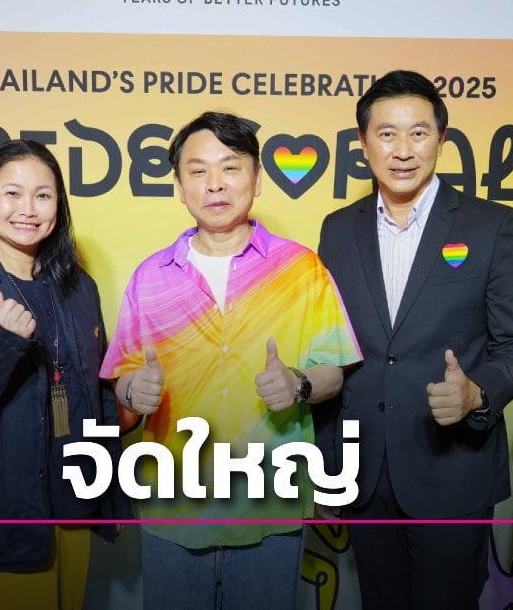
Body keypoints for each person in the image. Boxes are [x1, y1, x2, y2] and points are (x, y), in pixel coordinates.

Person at [101, 111, 362, 609]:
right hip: (174, 500)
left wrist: (299, 384)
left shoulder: (300, 268)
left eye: (230, 167)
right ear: (179, 186)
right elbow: (123, 380)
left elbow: (334, 373)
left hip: (270, 500)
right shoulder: (150, 277)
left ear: (257, 179)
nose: (215, 184)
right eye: (198, 170)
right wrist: (134, 390)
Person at [317, 69, 513, 609]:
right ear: (363, 142)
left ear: (442, 139)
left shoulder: (491, 225)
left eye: (418, 133)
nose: (402, 150)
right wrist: (328, 468)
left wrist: (476, 393)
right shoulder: (337, 230)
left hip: (452, 471)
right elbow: (330, 352)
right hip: (364, 473)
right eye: (386, 133)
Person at [0, 139, 130, 610]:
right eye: (12, 193)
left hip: (73, 499)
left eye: (43, 195)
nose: (28, 209)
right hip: (3, 513)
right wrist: (3, 343)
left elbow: (98, 394)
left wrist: (110, 494)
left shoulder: (79, 287)